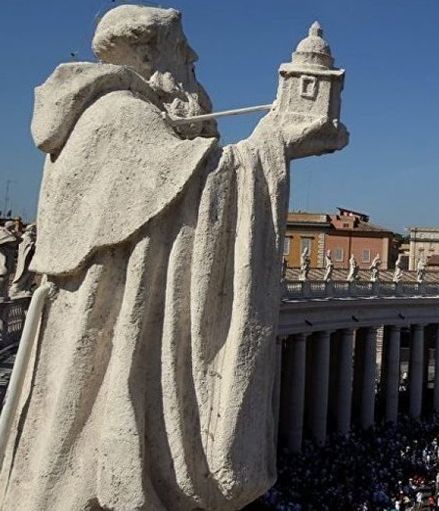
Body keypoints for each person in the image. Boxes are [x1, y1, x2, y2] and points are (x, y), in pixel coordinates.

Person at [0, 6, 347, 510]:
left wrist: (267, 146)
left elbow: (181, 186)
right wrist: (274, 144)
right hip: (105, 329)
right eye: (183, 50)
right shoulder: (119, 114)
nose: (194, 58)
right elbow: (195, 193)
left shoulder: (126, 115)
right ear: (146, 53)